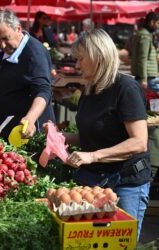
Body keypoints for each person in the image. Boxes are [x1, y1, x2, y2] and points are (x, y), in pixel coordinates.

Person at [48, 29, 150, 241]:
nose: (77, 66)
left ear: (98, 56)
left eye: (81, 59)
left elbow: (139, 143)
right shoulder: (90, 89)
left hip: (125, 182)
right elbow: (91, 137)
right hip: (95, 180)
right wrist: (59, 137)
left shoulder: (126, 88)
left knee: (119, 243)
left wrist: (92, 156)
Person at [0, 9, 55, 140]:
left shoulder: (35, 54)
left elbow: (43, 90)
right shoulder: (9, 49)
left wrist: (30, 118)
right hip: (7, 133)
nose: (2, 44)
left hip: (26, 137)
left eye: (6, 38)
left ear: (18, 29)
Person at [131, 12, 159, 92]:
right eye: (158, 23)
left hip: (146, 75)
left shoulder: (143, 34)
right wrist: (143, 79)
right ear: (151, 22)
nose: (158, 26)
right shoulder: (145, 36)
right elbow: (142, 58)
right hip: (148, 76)